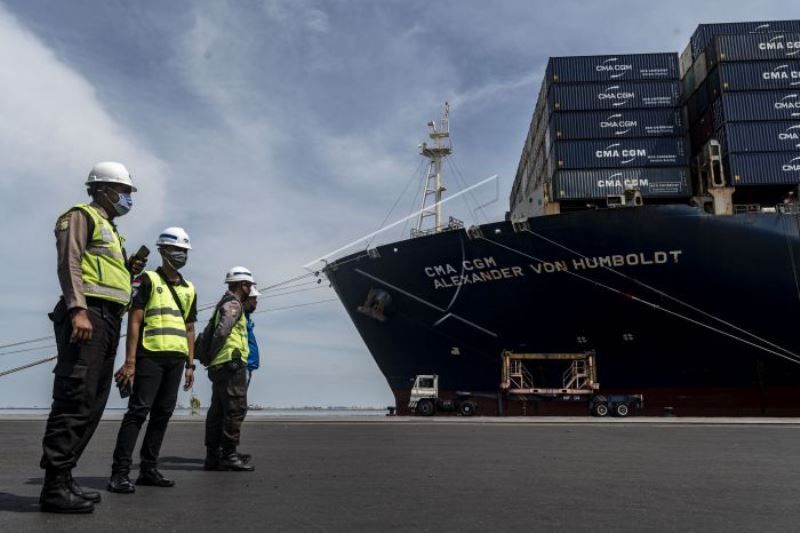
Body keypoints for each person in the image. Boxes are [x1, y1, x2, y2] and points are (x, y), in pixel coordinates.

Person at [40, 161, 144, 513]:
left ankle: (66, 476)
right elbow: (69, 262)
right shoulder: (80, 216)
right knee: (75, 396)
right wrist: (77, 309)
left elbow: (102, 271)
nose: (128, 198)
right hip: (89, 317)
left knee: (93, 402)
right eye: (124, 191)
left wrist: (129, 272)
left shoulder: (112, 230)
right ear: (103, 188)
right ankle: (54, 486)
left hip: (109, 318)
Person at [107, 227, 197, 494]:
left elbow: (190, 328)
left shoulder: (190, 288)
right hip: (150, 356)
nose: (181, 255)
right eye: (176, 250)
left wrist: (190, 364)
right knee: (138, 412)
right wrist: (130, 362)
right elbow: (135, 322)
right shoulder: (146, 280)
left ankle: (148, 468)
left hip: (176, 359)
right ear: (162, 251)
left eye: (184, 251)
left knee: (162, 415)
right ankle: (120, 473)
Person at [203, 266, 257, 472]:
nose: (251, 289)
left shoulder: (224, 302)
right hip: (230, 365)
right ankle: (228, 454)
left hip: (221, 365)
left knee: (217, 411)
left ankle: (213, 455)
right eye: (249, 285)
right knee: (235, 410)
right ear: (243, 285)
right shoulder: (234, 304)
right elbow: (222, 331)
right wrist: (212, 355)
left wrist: (211, 358)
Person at [244, 285, 261, 385]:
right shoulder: (239, 317)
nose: (256, 301)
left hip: (246, 367)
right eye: (253, 298)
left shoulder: (246, 319)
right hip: (241, 367)